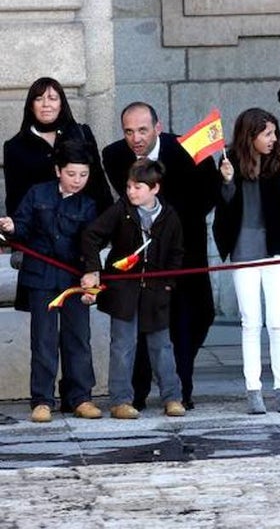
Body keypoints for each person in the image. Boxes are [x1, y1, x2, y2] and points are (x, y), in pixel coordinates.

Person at [101, 102, 220, 410]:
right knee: (141, 325)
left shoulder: (188, 149)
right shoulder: (114, 156)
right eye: (129, 131)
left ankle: (178, 387)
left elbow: (207, 197)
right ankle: (141, 394)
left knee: (196, 315)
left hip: (184, 251)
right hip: (138, 258)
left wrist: (170, 226)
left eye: (142, 130)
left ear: (158, 127)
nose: (136, 138)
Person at [0, 142, 101, 422]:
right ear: (58, 170)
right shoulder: (37, 193)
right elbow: (21, 227)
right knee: (43, 340)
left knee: (78, 338)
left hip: (73, 278)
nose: (77, 180)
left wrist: (92, 274)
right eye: (71, 174)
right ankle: (42, 400)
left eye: (83, 175)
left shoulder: (89, 204)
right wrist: (11, 227)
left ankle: (80, 397)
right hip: (41, 277)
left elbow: (90, 243)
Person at [81, 158, 186, 419]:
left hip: (156, 291)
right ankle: (120, 400)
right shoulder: (121, 210)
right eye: (129, 186)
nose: (131, 192)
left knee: (162, 346)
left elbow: (176, 253)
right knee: (122, 345)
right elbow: (91, 235)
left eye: (138, 187)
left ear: (155, 189)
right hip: (123, 291)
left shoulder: (169, 216)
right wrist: (94, 268)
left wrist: (168, 284)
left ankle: (172, 397)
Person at [212, 108, 280, 414]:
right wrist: (226, 182)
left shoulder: (279, 160)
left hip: (275, 246)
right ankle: (254, 390)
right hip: (243, 247)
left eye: (274, 133)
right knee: (251, 322)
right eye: (267, 134)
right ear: (250, 136)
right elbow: (223, 204)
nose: (274, 140)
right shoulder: (228, 161)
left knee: (277, 322)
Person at [3, 77, 112, 219]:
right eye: (39, 99)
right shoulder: (14, 147)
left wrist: (104, 226)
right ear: (31, 105)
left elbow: (99, 184)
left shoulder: (81, 134)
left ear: (61, 104)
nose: (46, 104)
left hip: (84, 227)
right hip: (40, 233)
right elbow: (15, 199)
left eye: (53, 98)